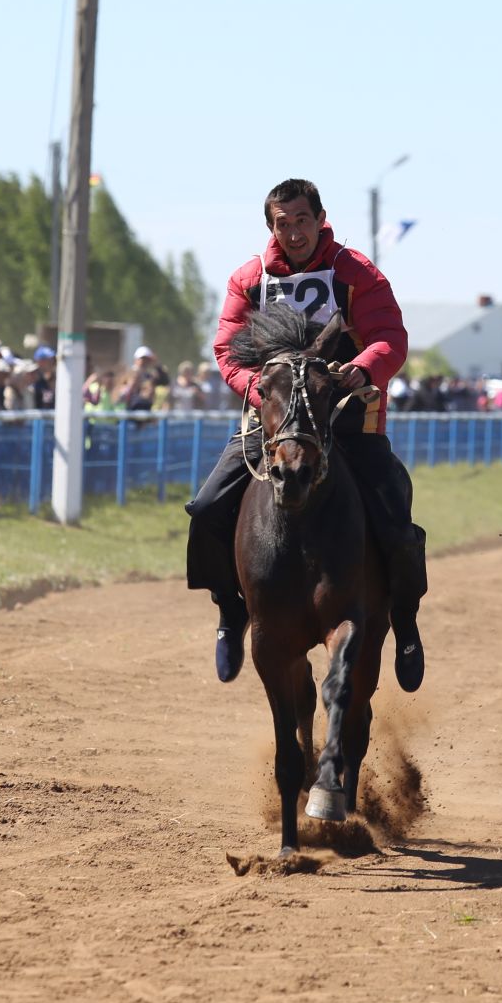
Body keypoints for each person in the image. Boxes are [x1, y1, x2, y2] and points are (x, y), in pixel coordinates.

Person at [184, 177, 428, 693]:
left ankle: (404, 622)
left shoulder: (356, 272)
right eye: (282, 223)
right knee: (207, 508)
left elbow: (391, 337)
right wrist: (257, 390)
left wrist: (363, 368)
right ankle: (231, 612)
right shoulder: (248, 279)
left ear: (320, 219)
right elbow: (227, 350)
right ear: (270, 226)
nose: (293, 233)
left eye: (301, 221)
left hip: (347, 420)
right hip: (273, 424)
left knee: (395, 515)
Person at [31, 346, 57, 411]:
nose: (52, 363)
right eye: (48, 360)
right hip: (37, 416)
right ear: (39, 362)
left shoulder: (52, 377)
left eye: (53, 360)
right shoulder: (33, 377)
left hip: (51, 414)